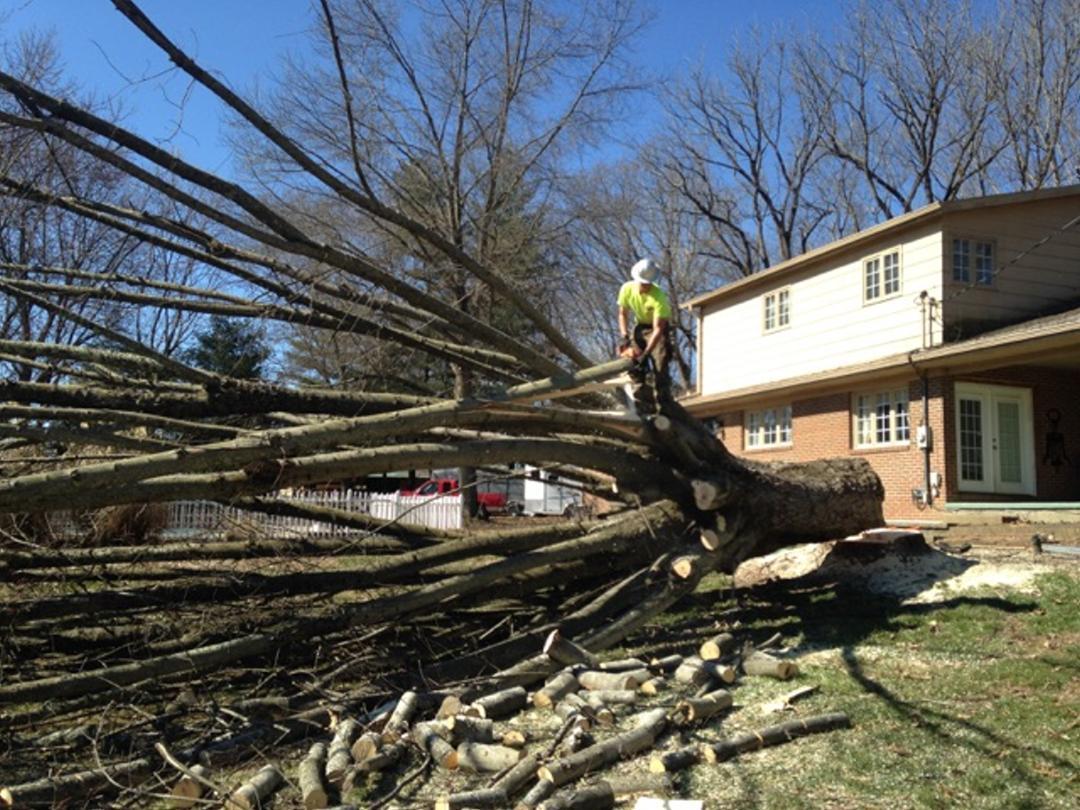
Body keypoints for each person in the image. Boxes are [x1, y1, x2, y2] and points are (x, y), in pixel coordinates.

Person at [616, 257, 673, 414]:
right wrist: (624, 335)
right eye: (643, 283)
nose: (645, 287)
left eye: (648, 284)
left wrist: (647, 353)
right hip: (639, 326)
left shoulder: (659, 297)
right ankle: (640, 401)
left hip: (656, 330)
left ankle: (664, 405)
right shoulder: (627, 289)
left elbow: (657, 329)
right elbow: (622, 314)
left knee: (660, 362)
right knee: (632, 359)